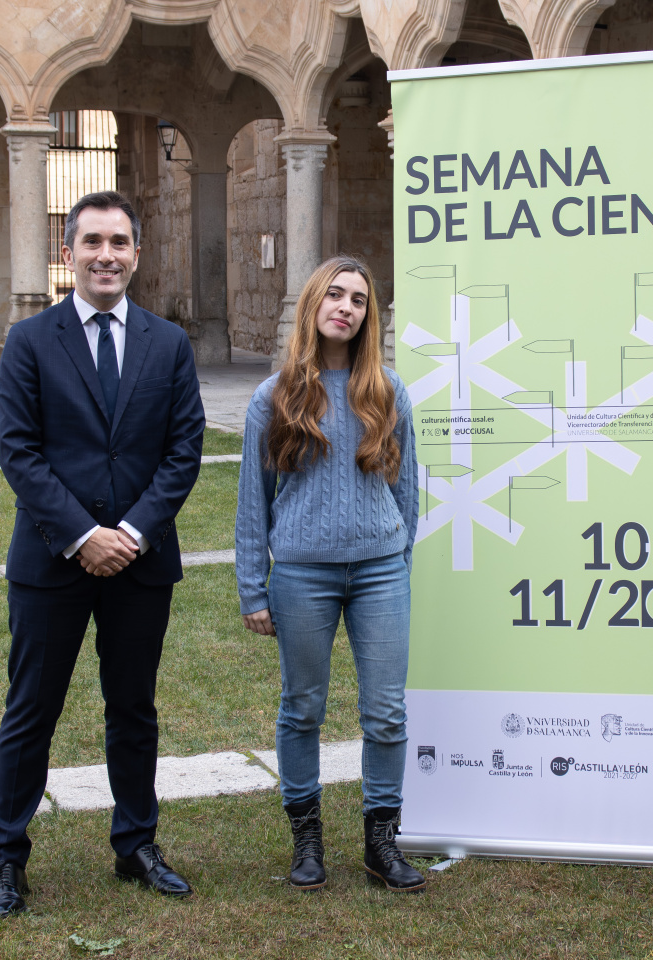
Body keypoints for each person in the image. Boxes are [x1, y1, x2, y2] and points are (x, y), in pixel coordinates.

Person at [0, 190, 205, 917]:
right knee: (31, 711)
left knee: (133, 709)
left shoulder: (167, 343)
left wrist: (131, 533)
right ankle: (6, 858)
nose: (105, 255)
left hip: (142, 563)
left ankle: (136, 843)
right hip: (52, 560)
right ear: (69, 252)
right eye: (92, 242)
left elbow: (183, 450)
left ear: (137, 254)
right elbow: (19, 452)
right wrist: (84, 536)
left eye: (119, 243)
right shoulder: (29, 341)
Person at [235, 255, 423, 893]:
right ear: (314, 303)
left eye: (360, 300)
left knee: (387, 713)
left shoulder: (389, 391)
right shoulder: (276, 396)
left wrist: (397, 559)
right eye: (335, 295)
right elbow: (252, 502)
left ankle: (381, 843)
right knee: (302, 708)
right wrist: (252, 589)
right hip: (301, 577)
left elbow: (409, 492)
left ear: (370, 316)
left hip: (379, 574)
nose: (347, 307)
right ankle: (307, 841)